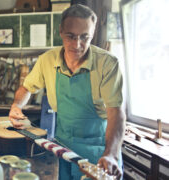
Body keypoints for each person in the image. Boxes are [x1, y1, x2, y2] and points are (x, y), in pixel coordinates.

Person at [8, 4, 125, 180]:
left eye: (85, 37)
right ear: (61, 31)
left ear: (92, 34)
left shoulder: (107, 64)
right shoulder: (47, 60)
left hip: (99, 153)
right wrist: (17, 105)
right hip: (62, 151)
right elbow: (26, 88)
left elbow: (116, 112)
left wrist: (111, 154)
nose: (77, 45)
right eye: (71, 36)